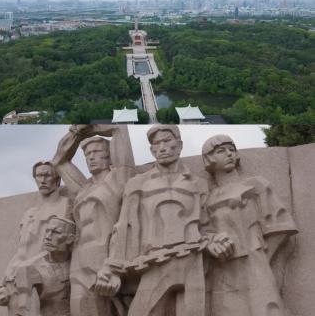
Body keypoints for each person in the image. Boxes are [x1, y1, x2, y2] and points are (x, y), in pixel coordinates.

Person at [94, 125, 231, 316]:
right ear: (152, 150)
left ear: (179, 145)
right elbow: (125, 225)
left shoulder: (198, 183)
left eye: (167, 141)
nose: (163, 147)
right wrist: (112, 268)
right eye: (157, 143)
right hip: (155, 262)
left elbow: (206, 225)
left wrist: (214, 240)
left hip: (193, 262)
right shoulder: (137, 183)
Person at [202, 134, 297, 316]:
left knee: (266, 308)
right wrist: (212, 244)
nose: (229, 154)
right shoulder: (209, 198)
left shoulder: (255, 185)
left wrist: (259, 260)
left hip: (255, 261)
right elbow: (204, 232)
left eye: (231, 149)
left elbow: (280, 227)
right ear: (208, 159)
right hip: (223, 269)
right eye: (220, 151)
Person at [51, 124, 135, 316]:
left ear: (109, 156)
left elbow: (120, 130)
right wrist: (76, 133)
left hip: (107, 256)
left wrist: (93, 127)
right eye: (87, 154)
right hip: (80, 261)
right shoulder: (83, 188)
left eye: (96, 152)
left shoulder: (120, 177)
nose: (91, 157)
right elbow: (58, 162)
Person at [0, 162, 73, 315]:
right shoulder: (30, 213)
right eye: (38, 176)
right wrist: (3, 284)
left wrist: (22, 270)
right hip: (27, 274)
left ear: (57, 180)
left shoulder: (66, 206)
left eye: (47, 175)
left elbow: (67, 243)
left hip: (54, 270)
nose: (42, 180)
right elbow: (21, 251)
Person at [11, 216, 76, 316]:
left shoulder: (78, 262)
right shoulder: (29, 268)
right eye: (47, 231)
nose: (48, 236)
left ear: (70, 239)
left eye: (56, 232)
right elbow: (21, 310)